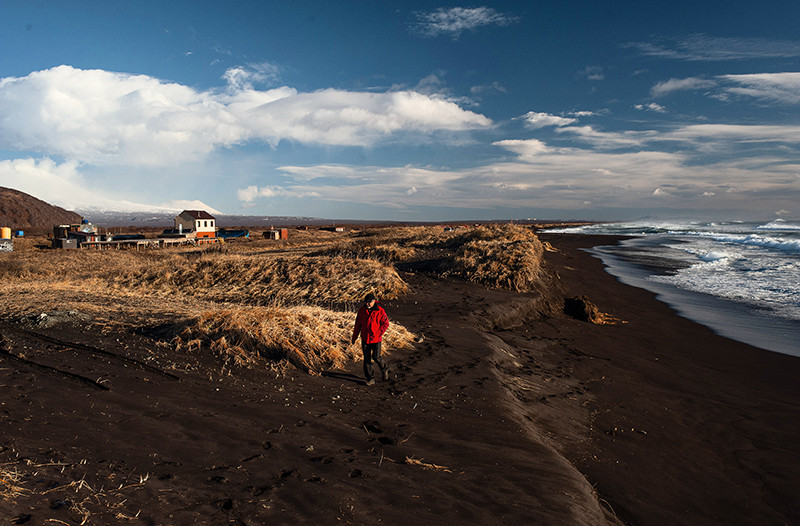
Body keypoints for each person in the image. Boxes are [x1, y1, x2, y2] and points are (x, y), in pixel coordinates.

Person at [351, 293, 390, 385]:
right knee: (367, 359)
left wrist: (379, 333)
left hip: (376, 339)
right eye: (366, 302)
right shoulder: (362, 310)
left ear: (373, 301)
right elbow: (358, 325)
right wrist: (354, 337)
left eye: (369, 302)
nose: (367, 304)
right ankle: (370, 378)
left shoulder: (380, 310)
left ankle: (384, 369)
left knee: (376, 357)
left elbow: (385, 323)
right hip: (365, 338)